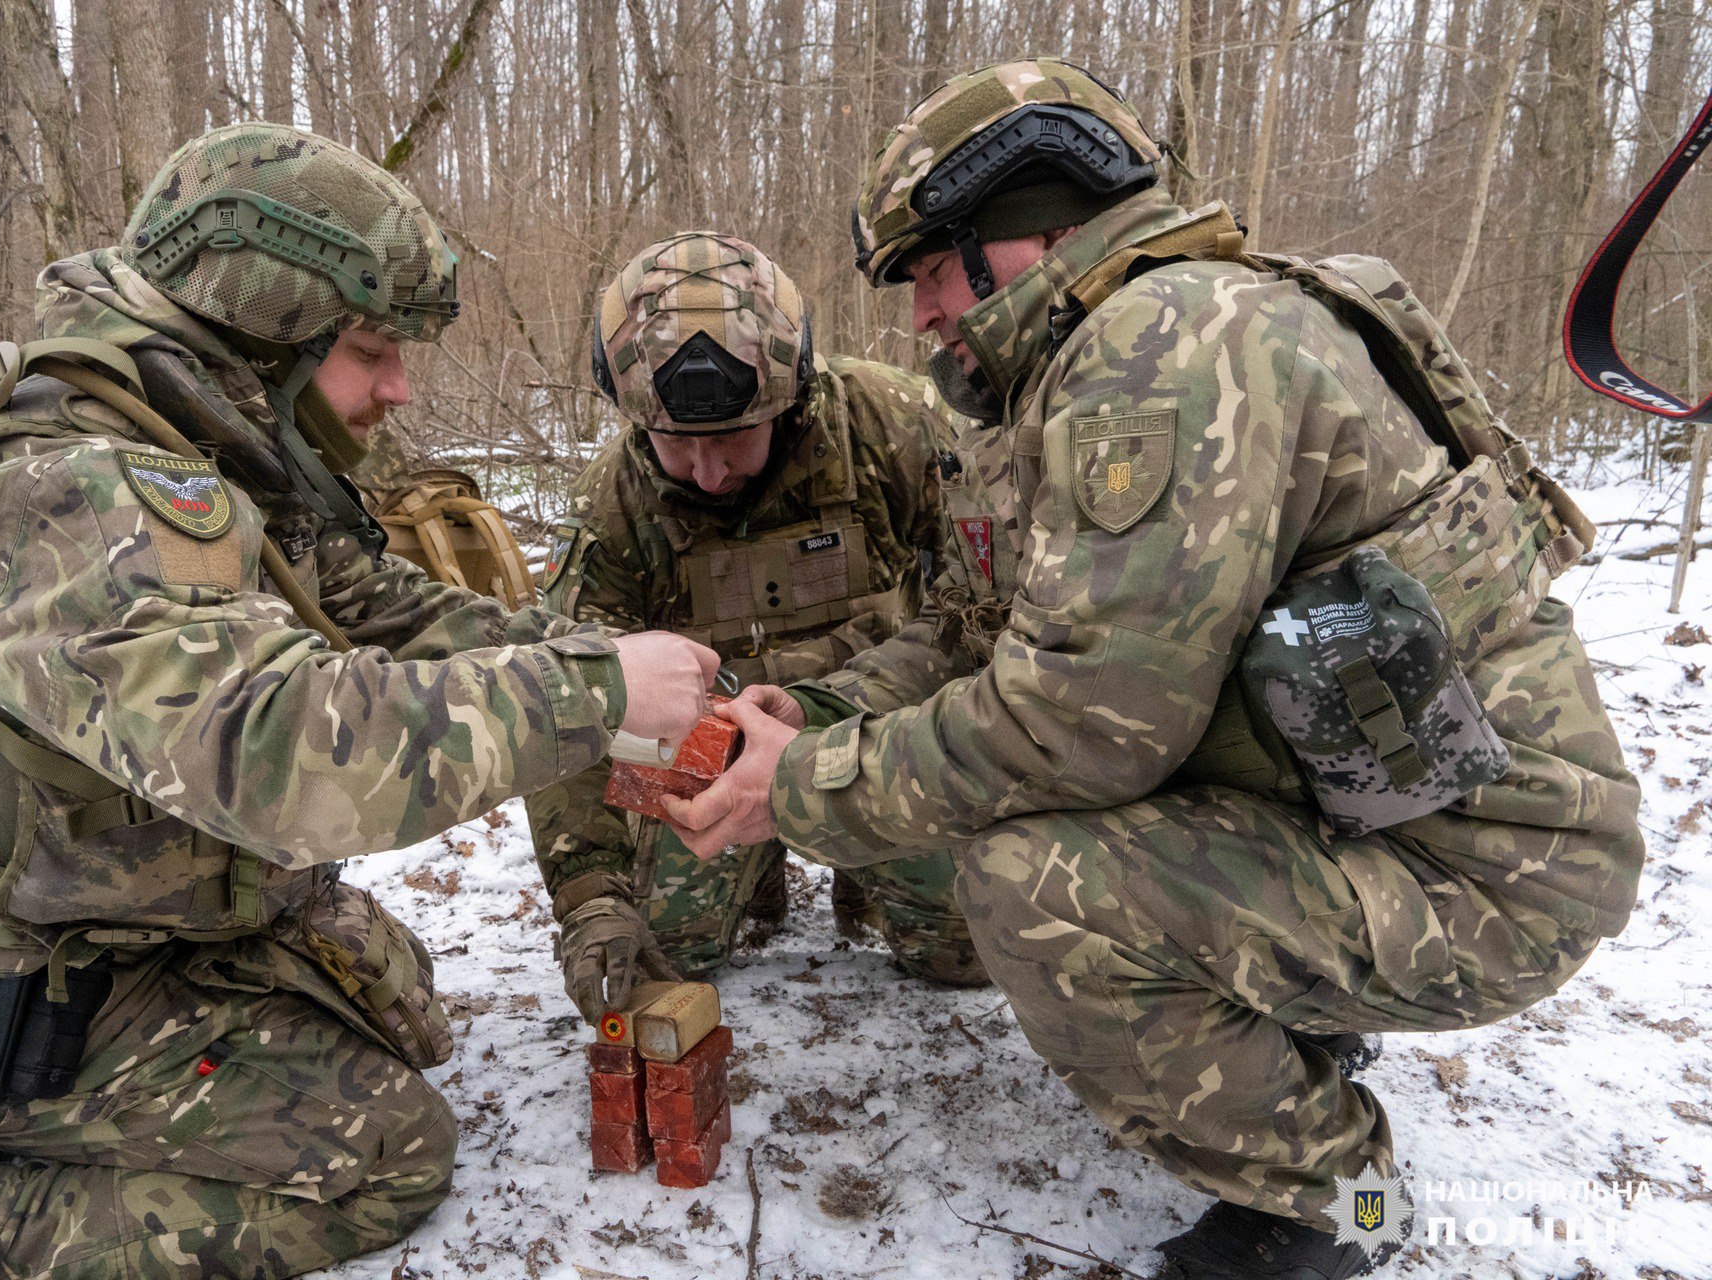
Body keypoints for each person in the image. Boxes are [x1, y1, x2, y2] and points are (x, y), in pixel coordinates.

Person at [665, 60, 1643, 1280]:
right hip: (1370, 813)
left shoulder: (1170, 343)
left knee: (1032, 877)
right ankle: (1291, 1021)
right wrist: (811, 712)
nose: (918, 316)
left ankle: (1339, 1205)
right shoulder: (1068, 380)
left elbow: (1082, 724)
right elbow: (975, 635)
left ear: (1024, 230)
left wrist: (798, 787)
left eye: (926, 270)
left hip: (1491, 872)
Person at [0, 122, 716, 1279]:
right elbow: (281, 760)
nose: (398, 388)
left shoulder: (190, 443)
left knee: (397, 998)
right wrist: (592, 690)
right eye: (371, 349)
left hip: (92, 917)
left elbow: (383, 611)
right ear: (262, 328)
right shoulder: (61, 494)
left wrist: (638, 672)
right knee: (387, 1150)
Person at [529, 231, 986, 1022]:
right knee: (669, 951)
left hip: (878, 736)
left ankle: (860, 871)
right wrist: (591, 899)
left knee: (966, 951)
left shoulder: (893, 428)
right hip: (701, 753)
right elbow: (570, 710)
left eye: (735, 438)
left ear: (792, 396)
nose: (710, 474)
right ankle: (754, 873)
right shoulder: (610, 509)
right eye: (679, 444)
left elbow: (981, 605)